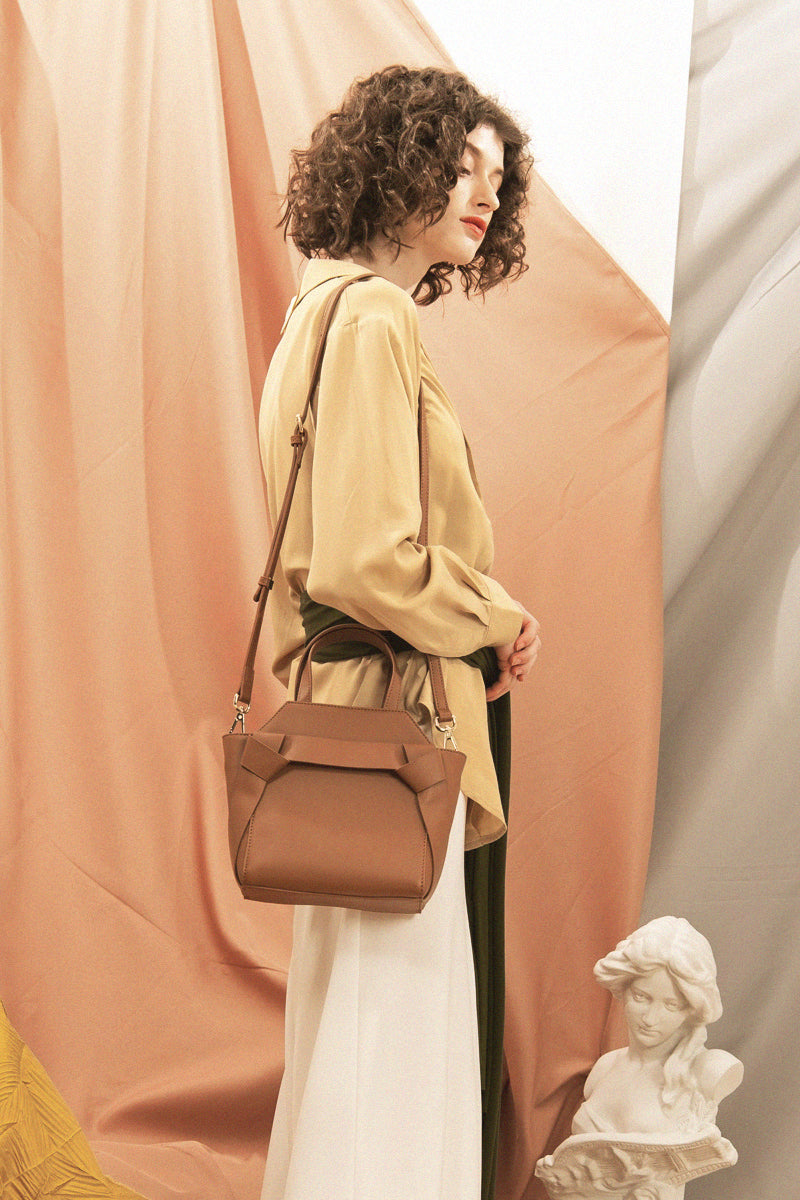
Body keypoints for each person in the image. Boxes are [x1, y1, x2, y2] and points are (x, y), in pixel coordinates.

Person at [257, 65, 540, 1200]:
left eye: (497, 178)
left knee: (353, 1020)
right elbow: (365, 559)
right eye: (460, 166)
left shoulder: (314, 313)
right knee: (397, 1027)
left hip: (346, 715)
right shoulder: (372, 317)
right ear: (397, 165)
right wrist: (495, 613)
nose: (486, 193)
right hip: (399, 725)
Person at [572, 916, 743, 1139]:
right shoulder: (605, 1067)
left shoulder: (709, 1070)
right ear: (623, 988)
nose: (650, 1018)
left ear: (691, 1008)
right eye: (641, 997)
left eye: (671, 1005)